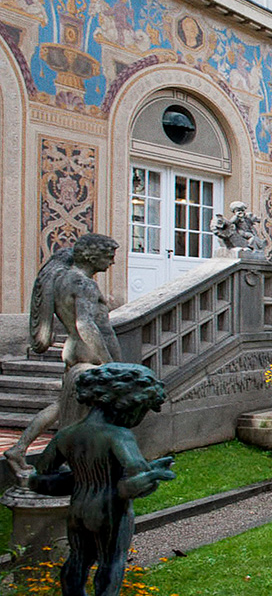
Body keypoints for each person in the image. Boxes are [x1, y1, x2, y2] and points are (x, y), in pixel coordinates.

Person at [31, 363, 175, 596]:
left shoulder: (67, 434)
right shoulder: (119, 435)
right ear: (127, 403)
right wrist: (153, 476)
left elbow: (38, 480)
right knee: (111, 562)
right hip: (111, 510)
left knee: (78, 559)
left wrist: (81, 480)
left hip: (79, 508)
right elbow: (130, 485)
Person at [5, 234, 121, 477]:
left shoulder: (65, 279)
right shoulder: (83, 284)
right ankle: (70, 461)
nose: (111, 262)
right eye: (108, 256)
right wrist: (109, 363)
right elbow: (85, 325)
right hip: (88, 355)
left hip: (75, 350)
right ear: (91, 255)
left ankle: (19, 447)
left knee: (62, 406)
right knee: (81, 414)